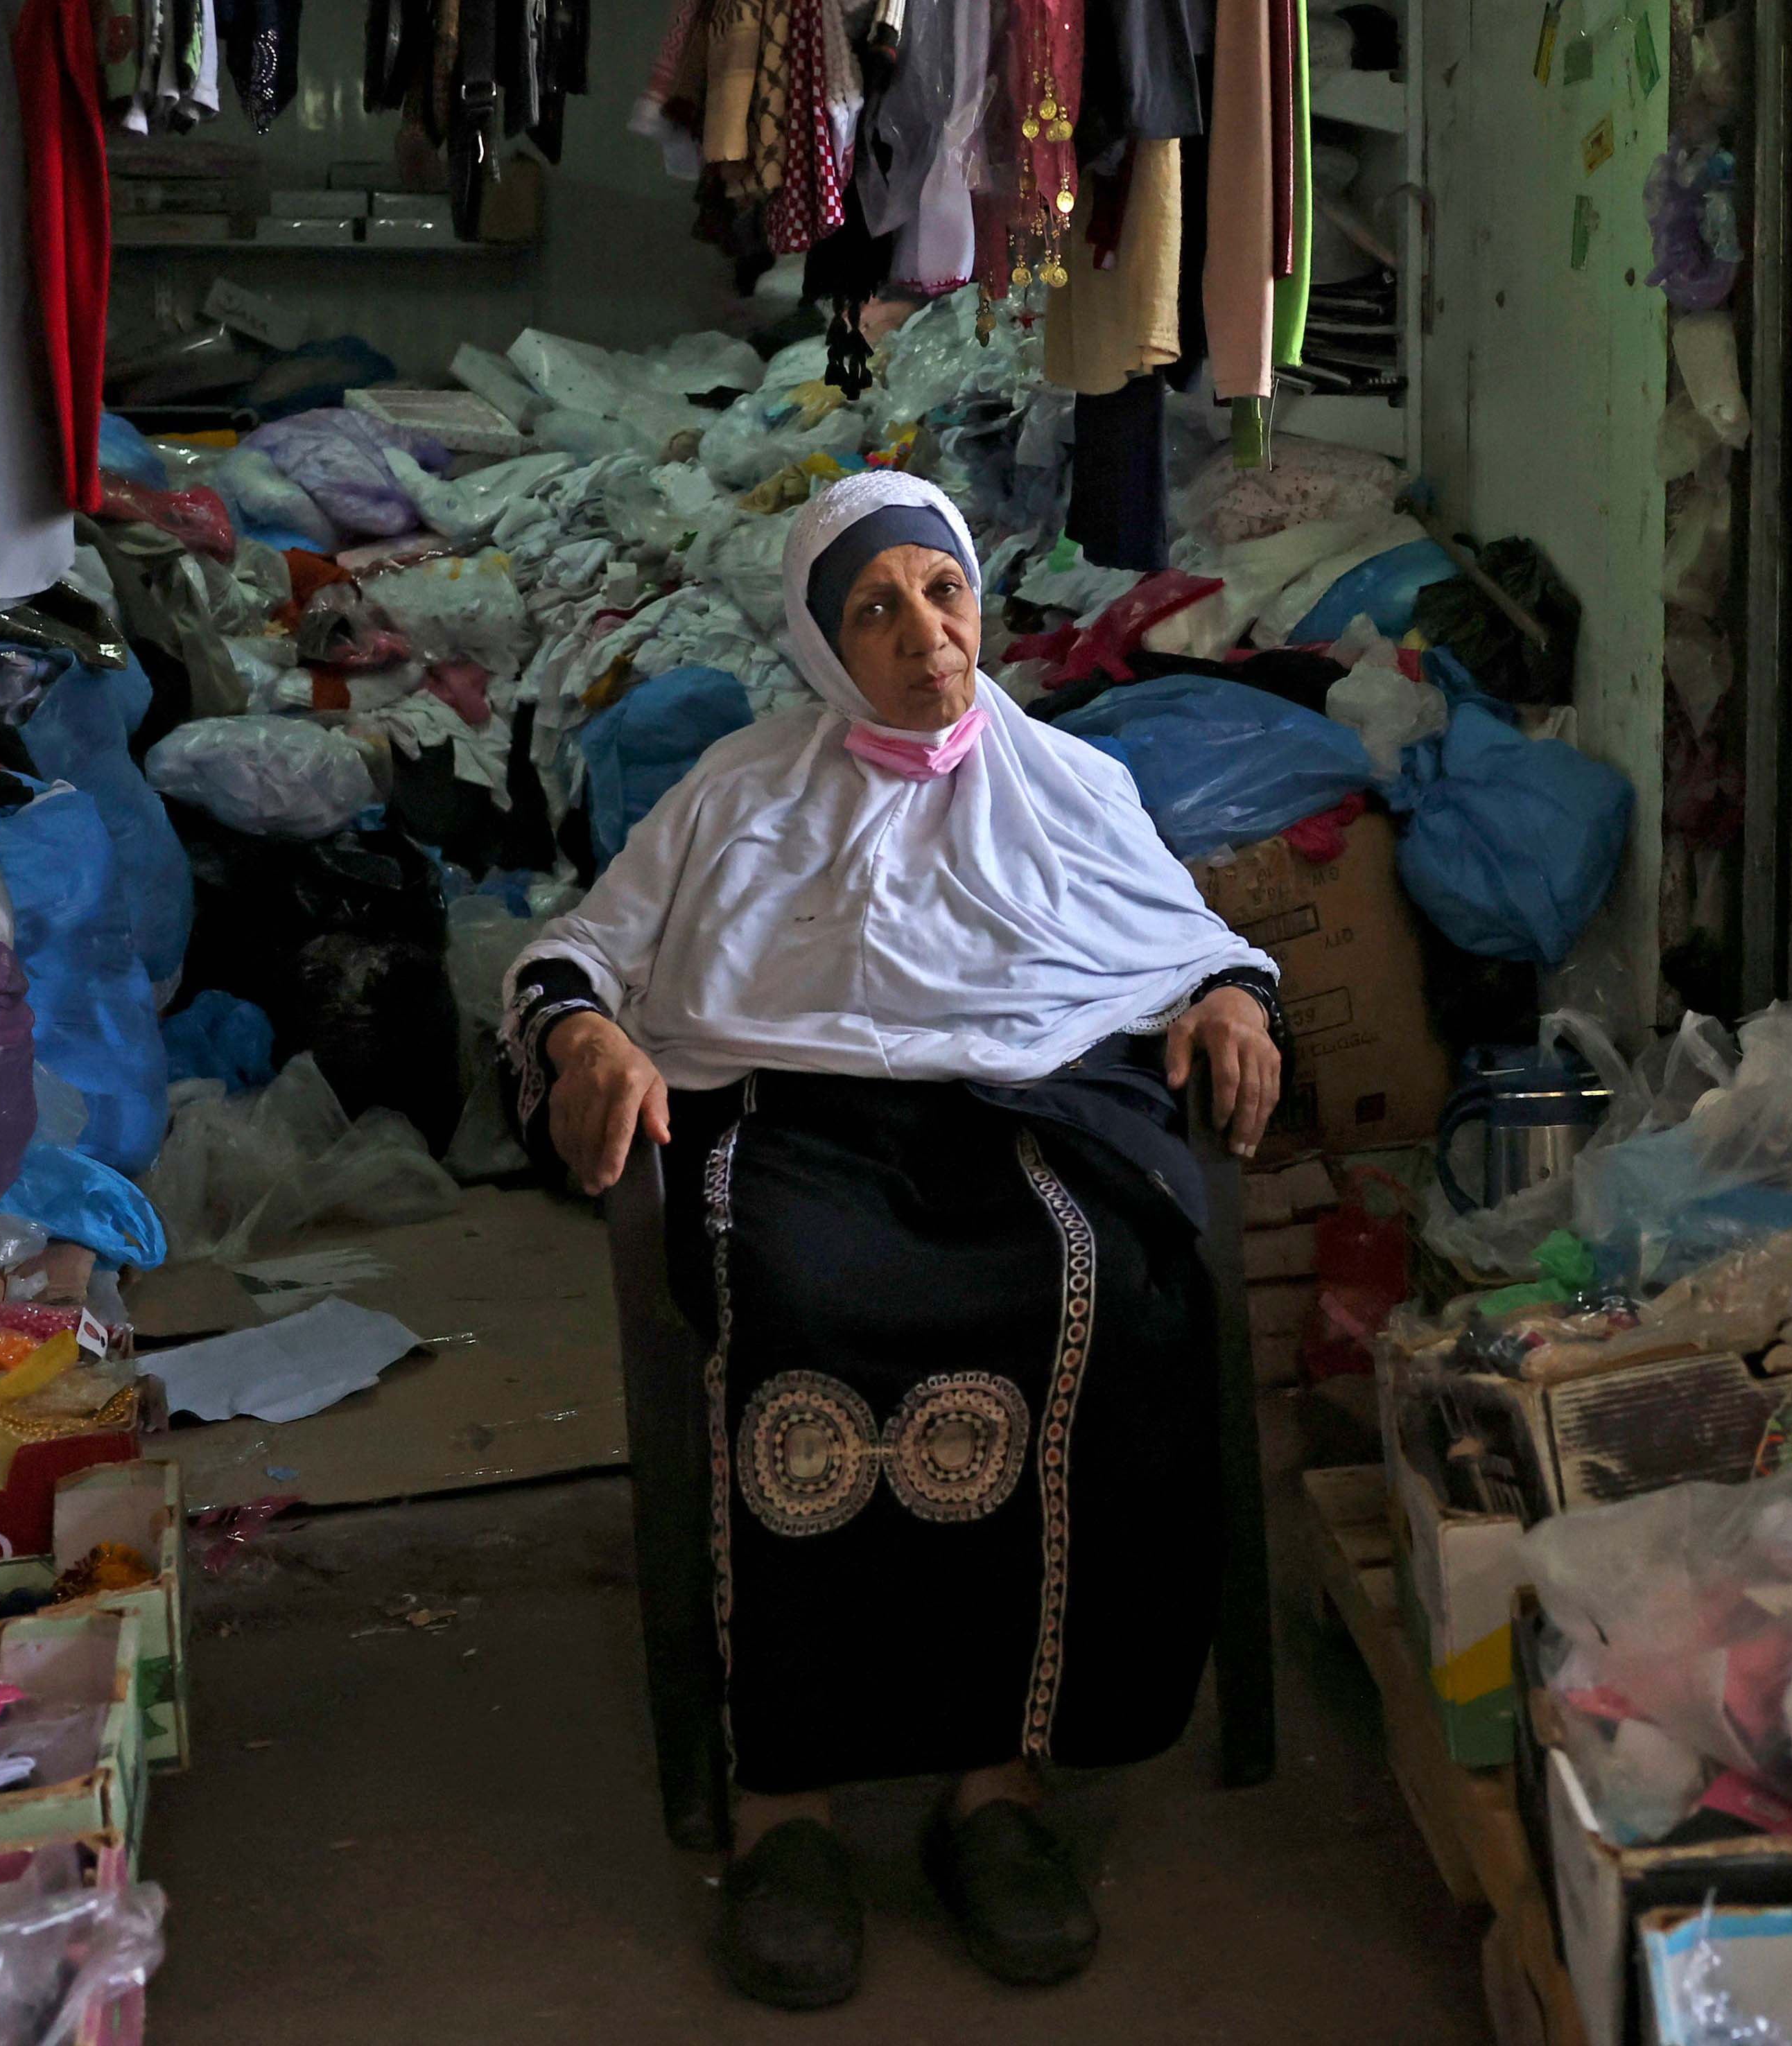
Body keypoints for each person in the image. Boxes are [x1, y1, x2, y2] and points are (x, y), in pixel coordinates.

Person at [505, 470, 1289, 2010]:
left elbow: (1192, 938)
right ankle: (782, 1802)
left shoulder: (1066, 778)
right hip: (800, 1126)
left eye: (943, 590)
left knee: (1107, 1299)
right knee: (794, 1310)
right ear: (820, 640)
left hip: (1028, 1114)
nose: (924, 633)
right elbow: (576, 952)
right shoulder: (738, 788)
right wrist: (588, 1035)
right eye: (875, 605)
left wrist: (1231, 999)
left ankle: (995, 1784)